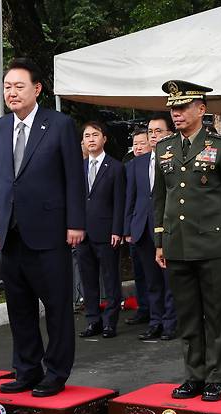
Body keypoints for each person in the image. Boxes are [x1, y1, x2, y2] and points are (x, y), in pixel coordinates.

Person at [0, 58, 85, 398]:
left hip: (51, 230)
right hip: (10, 232)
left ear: (37, 88)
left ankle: (56, 372)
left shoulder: (59, 125)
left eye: (18, 86)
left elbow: (74, 177)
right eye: (7, 87)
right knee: (19, 306)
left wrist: (75, 223)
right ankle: (26, 369)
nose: (11, 93)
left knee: (56, 306)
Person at [154, 80, 221, 402]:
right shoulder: (163, 148)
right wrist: (159, 240)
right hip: (177, 244)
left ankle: (215, 378)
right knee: (188, 314)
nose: (176, 114)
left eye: (182, 108)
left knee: (216, 313)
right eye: (173, 109)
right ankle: (194, 375)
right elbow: (160, 198)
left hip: (212, 244)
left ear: (201, 109)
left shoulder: (220, 147)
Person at [124, 115, 177, 341]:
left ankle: (170, 323)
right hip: (142, 228)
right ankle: (155, 322)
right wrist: (127, 228)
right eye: (151, 132)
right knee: (152, 280)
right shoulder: (138, 163)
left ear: (169, 134)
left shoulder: (176, 160)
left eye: (159, 131)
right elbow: (131, 198)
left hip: (169, 228)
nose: (154, 136)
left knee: (170, 280)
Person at [77, 121, 124, 339]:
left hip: (107, 232)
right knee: (88, 279)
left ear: (104, 139)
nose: (91, 139)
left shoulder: (115, 167)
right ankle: (93, 320)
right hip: (83, 233)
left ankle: (110, 322)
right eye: (87, 136)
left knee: (110, 278)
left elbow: (119, 202)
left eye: (95, 135)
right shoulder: (79, 168)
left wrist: (117, 229)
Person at [123, 128, 153, 326]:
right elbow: (128, 200)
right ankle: (144, 308)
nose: (138, 147)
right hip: (135, 228)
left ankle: (158, 312)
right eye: (135, 144)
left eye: (142, 143)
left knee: (154, 275)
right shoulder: (129, 166)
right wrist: (126, 230)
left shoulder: (157, 164)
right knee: (140, 273)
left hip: (153, 228)